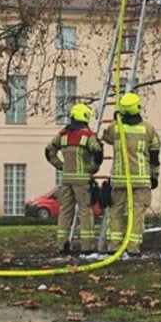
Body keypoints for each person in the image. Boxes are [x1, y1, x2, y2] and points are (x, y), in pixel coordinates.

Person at [101, 92, 161, 255]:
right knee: (137, 214)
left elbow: (105, 137)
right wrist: (154, 176)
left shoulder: (116, 127)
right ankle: (133, 248)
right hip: (141, 180)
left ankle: (114, 246)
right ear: (138, 108)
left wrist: (115, 119)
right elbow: (155, 154)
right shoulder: (148, 129)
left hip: (120, 180)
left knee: (116, 212)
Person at [44, 103, 103, 253]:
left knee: (65, 211)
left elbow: (49, 151)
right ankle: (87, 246)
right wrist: (92, 169)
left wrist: (60, 165)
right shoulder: (87, 136)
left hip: (66, 180)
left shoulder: (62, 134)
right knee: (85, 211)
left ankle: (62, 244)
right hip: (82, 181)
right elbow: (98, 152)